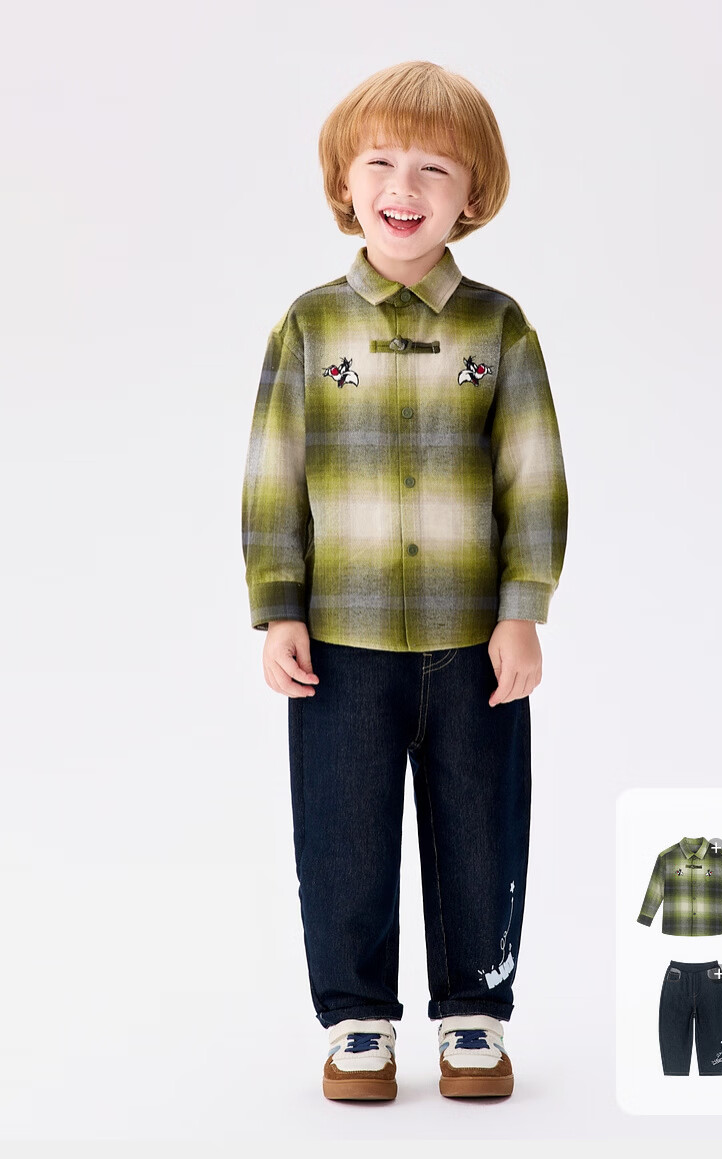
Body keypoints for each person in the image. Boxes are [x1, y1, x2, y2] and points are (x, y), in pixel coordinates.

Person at [241, 60, 569, 1101]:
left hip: (473, 641)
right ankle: (356, 1021)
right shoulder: (308, 326)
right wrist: (278, 607)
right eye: (380, 162)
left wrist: (523, 610)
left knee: (479, 821)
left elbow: (532, 472)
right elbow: (274, 472)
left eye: (435, 168)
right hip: (341, 643)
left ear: (472, 194)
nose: (404, 186)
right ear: (345, 182)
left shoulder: (499, 327)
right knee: (342, 828)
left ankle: (475, 1012)